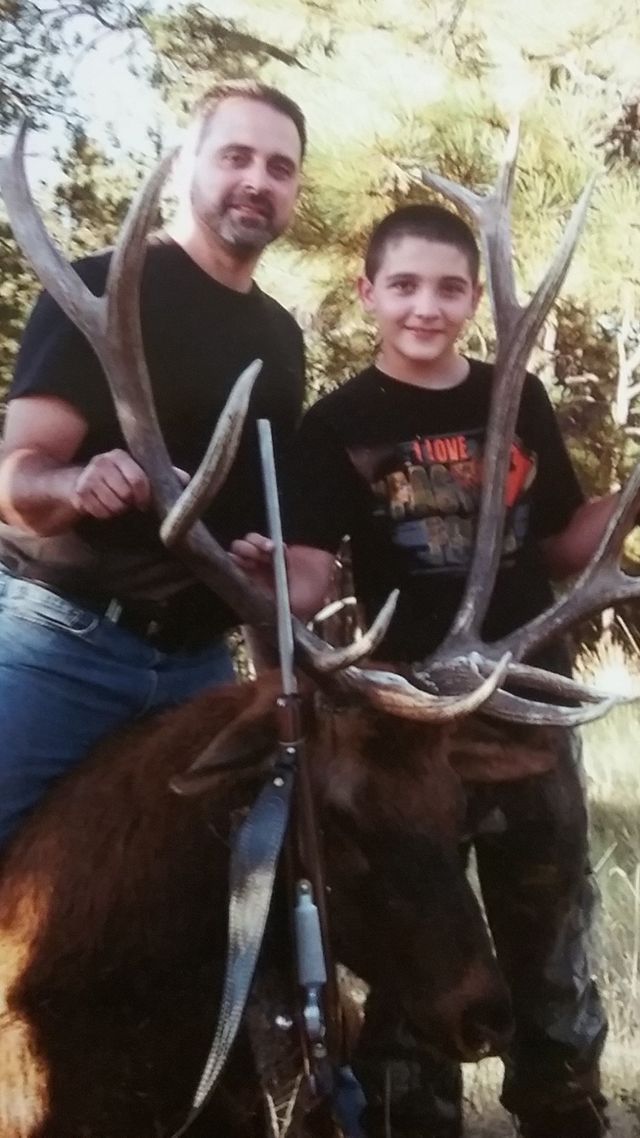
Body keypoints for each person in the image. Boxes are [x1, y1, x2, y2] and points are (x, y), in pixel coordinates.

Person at [231, 204, 630, 1137]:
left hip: (530, 703)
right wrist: (270, 574)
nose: (426, 306)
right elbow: (319, 570)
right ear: (369, 293)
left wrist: (626, 500)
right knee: (419, 935)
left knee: (551, 932)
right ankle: (418, 1118)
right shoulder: (337, 423)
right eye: (404, 285)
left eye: (450, 287)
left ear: (475, 299)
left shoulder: (513, 397)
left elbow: (566, 542)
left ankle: (562, 1106)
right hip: (407, 729)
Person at [0, 79, 306, 849]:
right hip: (64, 644)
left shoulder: (280, 338)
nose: (256, 181)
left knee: (215, 890)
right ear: (186, 167)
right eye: (235, 156)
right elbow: (15, 479)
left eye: (279, 167)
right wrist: (73, 483)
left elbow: (257, 509)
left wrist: (264, 565)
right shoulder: (100, 287)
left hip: (197, 667)